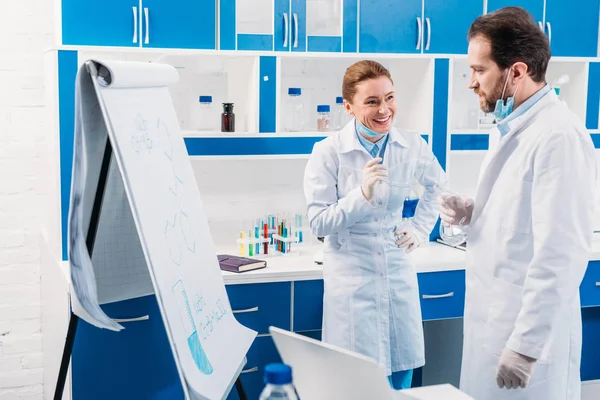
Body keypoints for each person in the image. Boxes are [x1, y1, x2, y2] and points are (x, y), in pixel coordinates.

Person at [440, 7, 599, 399]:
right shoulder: (511, 126)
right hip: (493, 326)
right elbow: (522, 220)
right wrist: (476, 212)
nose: (470, 83)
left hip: (526, 344)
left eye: (479, 70)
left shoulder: (559, 137)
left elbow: (561, 251)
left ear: (516, 71)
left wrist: (526, 347)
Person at [303, 60, 447, 390]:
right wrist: (361, 196)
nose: (384, 110)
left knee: (401, 370)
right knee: (356, 382)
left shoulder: (412, 145)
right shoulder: (328, 153)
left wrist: (420, 229)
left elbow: (437, 185)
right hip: (352, 278)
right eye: (372, 101)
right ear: (349, 107)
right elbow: (320, 223)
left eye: (390, 98)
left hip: (396, 270)